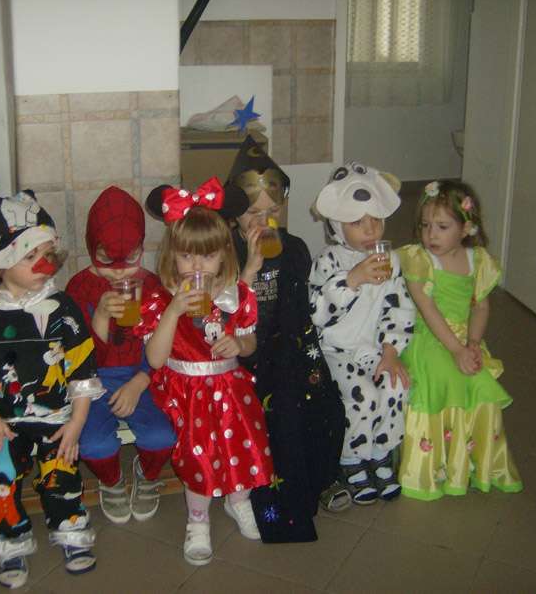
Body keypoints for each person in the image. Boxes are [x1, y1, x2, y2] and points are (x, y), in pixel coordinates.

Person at [0, 191, 105, 588]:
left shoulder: (63, 308)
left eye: (47, 254)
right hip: (2, 419)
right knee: (1, 476)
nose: (44, 264)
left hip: (57, 416)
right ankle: (9, 541)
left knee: (61, 475)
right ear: (2, 263)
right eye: (29, 256)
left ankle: (70, 530)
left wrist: (77, 422)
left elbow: (82, 369)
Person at [140, 178, 273, 566]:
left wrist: (238, 345)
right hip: (187, 390)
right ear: (172, 256)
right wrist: (173, 311)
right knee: (200, 453)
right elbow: (155, 359)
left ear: (224, 256)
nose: (197, 266)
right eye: (186, 256)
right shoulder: (160, 298)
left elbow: (249, 342)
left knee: (244, 445)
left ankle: (239, 500)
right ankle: (198, 520)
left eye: (208, 256)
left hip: (230, 387)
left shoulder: (235, 294)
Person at [226, 136, 345, 541]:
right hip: (243, 352)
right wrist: (251, 269)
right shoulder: (228, 253)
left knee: (325, 404)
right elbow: (225, 317)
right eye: (253, 213)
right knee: (280, 412)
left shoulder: (294, 248)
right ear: (235, 217)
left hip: (291, 346)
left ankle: (318, 480)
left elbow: (301, 311)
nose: (264, 222)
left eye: (272, 211)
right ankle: (270, 498)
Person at [397, 180, 523, 500]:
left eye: (442, 226)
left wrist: (473, 343)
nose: (431, 234)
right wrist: (455, 349)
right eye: (425, 225)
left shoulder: (477, 260)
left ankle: (476, 463)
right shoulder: (419, 259)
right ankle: (432, 468)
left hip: (464, 339)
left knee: (481, 382)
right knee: (443, 377)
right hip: (429, 337)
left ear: (466, 228)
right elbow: (426, 308)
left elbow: (480, 306)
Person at [66, 186, 175, 524]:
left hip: (141, 376)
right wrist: (99, 317)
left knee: (163, 437)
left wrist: (140, 381)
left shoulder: (151, 285)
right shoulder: (79, 288)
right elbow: (77, 357)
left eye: (129, 260)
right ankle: (111, 481)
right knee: (93, 444)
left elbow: (163, 347)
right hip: (92, 380)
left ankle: (147, 474)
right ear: (91, 247)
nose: (118, 273)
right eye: (106, 261)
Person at [309, 162, 415, 506]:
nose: (370, 230)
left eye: (376, 220)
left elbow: (399, 309)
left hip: (375, 349)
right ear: (337, 226)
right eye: (357, 222)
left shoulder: (390, 260)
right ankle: (351, 458)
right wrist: (352, 279)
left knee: (395, 385)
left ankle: (380, 452)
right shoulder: (328, 260)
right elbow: (315, 312)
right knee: (364, 396)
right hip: (336, 351)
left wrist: (391, 351)